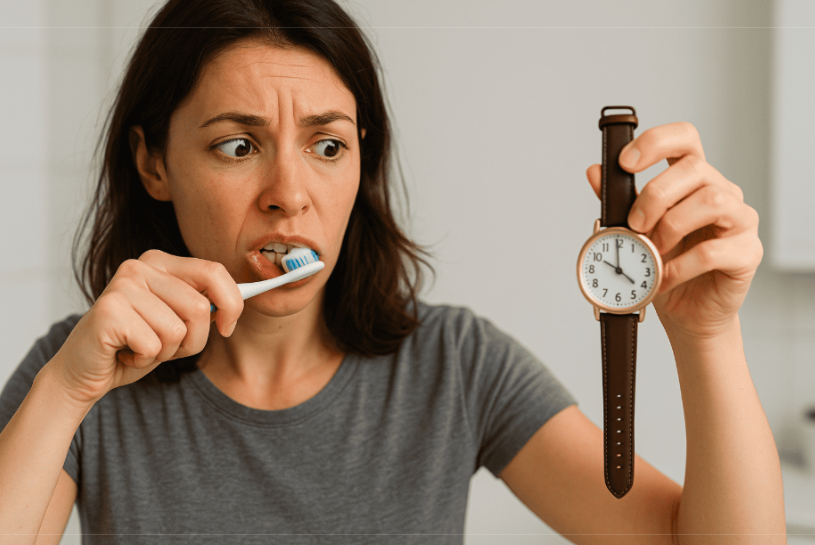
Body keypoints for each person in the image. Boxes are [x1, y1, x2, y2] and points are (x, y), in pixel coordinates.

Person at [0, 0, 785, 543]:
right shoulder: (80, 378)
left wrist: (706, 334)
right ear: (152, 162)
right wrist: (69, 390)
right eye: (238, 146)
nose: (289, 195)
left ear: (362, 160)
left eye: (327, 144)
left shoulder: (456, 367)